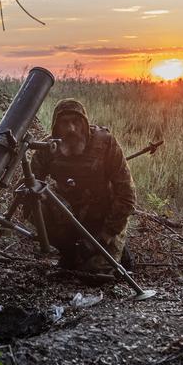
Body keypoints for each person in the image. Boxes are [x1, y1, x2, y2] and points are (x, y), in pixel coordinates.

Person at [31, 98, 136, 274]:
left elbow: (127, 195)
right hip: (69, 215)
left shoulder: (105, 143)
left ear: (85, 124)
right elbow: (30, 184)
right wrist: (39, 198)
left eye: (76, 122)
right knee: (34, 203)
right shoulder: (48, 148)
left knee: (95, 274)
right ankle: (69, 251)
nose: (71, 129)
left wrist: (107, 235)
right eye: (65, 123)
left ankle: (114, 249)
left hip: (104, 219)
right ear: (56, 127)